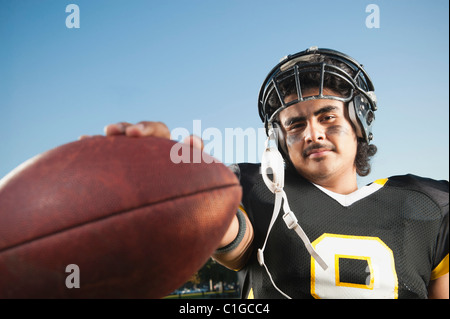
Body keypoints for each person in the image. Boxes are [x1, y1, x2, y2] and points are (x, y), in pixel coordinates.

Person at [88, 47, 449, 299]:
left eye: (327, 117)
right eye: (295, 124)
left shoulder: (428, 207)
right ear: (279, 139)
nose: (312, 133)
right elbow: (233, 237)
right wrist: (190, 194)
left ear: (359, 125)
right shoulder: (261, 192)